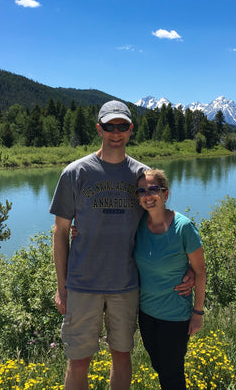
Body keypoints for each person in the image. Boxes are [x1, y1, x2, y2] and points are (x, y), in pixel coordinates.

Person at [50, 101, 193, 390]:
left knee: (122, 355)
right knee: (78, 361)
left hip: (127, 285)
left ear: (130, 129)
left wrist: (188, 265)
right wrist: (61, 286)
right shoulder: (75, 172)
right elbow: (60, 232)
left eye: (122, 126)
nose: (115, 133)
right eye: (109, 126)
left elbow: (162, 223)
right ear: (99, 128)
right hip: (82, 284)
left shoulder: (142, 176)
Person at [134, 169, 207, 390]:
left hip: (175, 316)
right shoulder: (137, 225)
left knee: (171, 373)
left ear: (166, 194)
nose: (148, 195)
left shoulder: (183, 227)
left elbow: (201, 271)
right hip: (146, 314)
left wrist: (197, 313)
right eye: (142, 191)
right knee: (159, 365)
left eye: (153, 189)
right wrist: (80, 232)